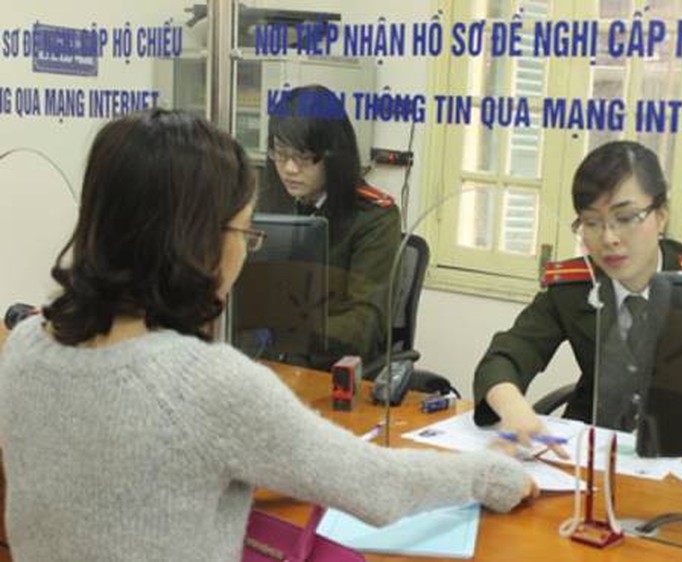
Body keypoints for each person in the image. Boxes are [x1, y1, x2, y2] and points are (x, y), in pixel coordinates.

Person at [0, 110, 536, 562]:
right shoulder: (206, 385)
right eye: (245, 231)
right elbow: (379, 486)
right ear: (198, 241)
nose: (246, 251)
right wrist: (493, 476)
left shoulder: (23, 347)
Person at [472, 141, 682, 445]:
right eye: (592, 223)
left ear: (661, 215)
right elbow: (507, 355)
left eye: (625, 218)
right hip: (594, 449)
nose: (609, 238)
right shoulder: (573, 287)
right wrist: (514, 408)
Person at [258, 84, 400, 370]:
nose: (289, 169)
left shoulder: (373, 218)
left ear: (334, 155)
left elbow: (363, 325)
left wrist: (289, 329)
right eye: (281, 154)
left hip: (326, 368)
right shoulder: (268, 204)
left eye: (304, 157)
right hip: (264, 363)